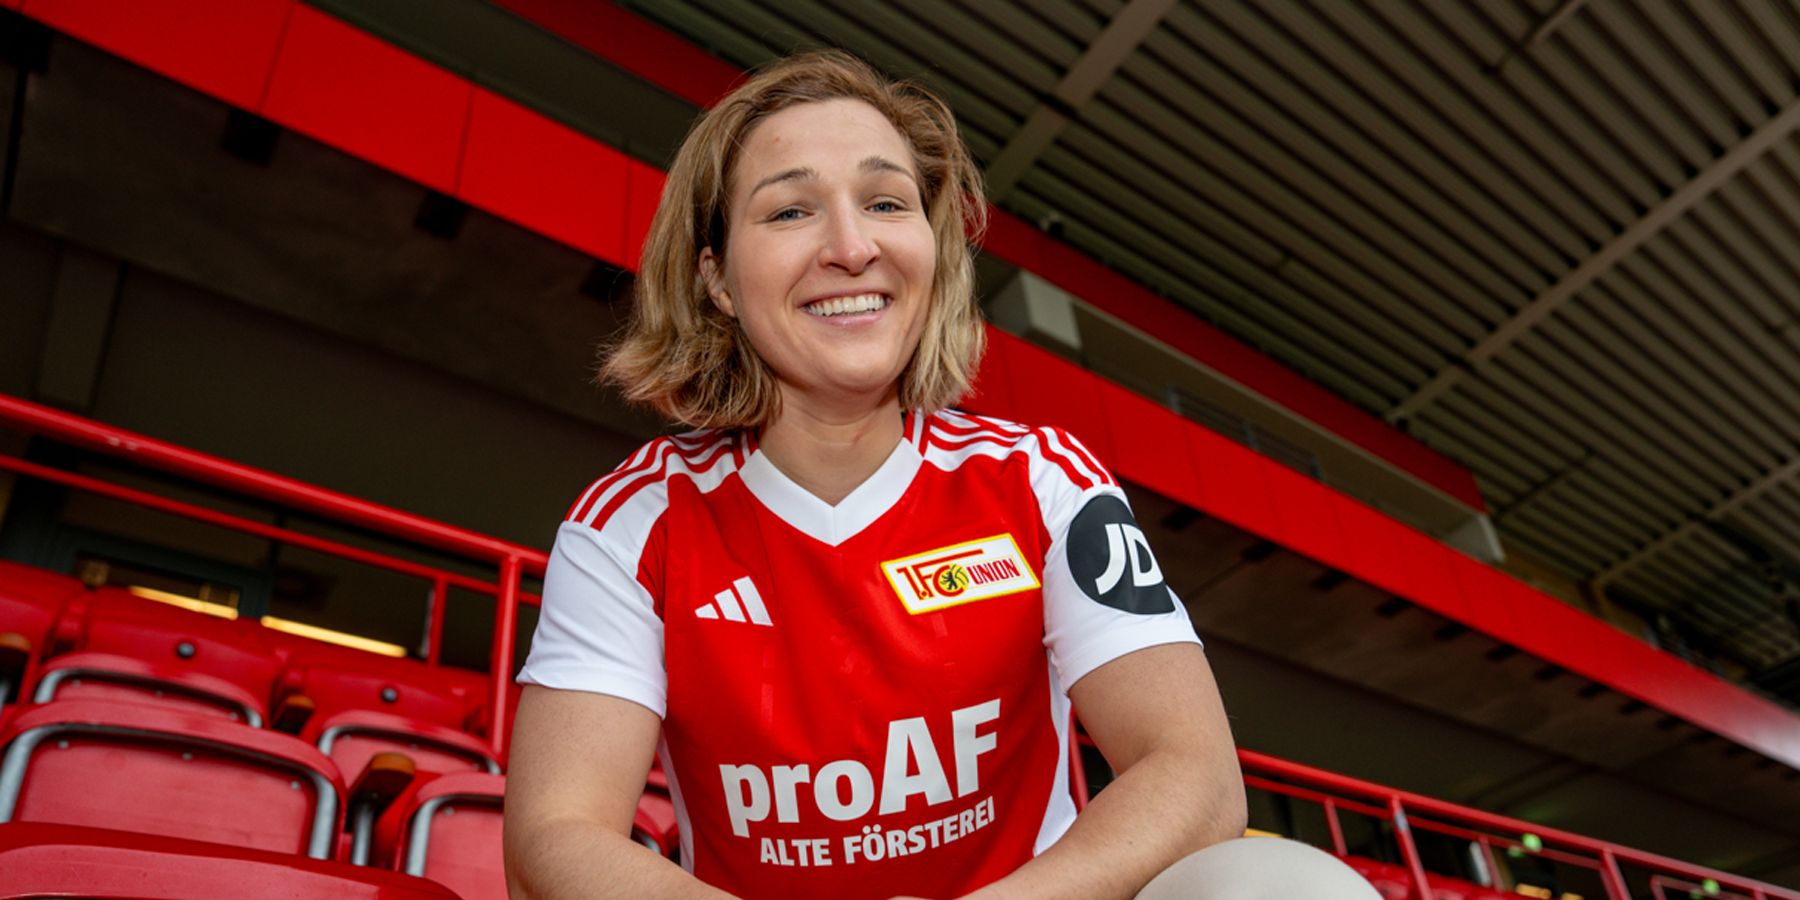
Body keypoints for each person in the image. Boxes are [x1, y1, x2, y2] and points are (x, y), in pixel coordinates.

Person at [504, 49, 1379, 900]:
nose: (851, 247)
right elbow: (556, 836)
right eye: (788, 213)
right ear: (717, 278)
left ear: (932, 248)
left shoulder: (1041, 480)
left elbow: (1192, 772)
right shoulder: (634, 521)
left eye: (886, 202)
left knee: (1290, 886)